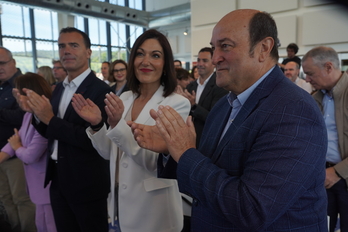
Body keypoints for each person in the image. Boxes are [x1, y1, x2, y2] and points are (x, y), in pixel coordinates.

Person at [129, 9, 328, 231]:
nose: (215, 58)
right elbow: (209, 172)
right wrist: (172, 150)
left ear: (263, 48)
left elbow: (251, 210)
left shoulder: (294, 110)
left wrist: (186, 153)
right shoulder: (225, 105)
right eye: (214, 47)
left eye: (225, 46)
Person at [72, 29, 190, 232]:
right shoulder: (125, 98)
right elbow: (110, 153)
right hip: (119, 204)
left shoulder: (176, 104)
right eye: (140, 54)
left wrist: (117, 125)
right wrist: (98, 124)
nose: (146, 61)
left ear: (166, 64)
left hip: (155, 211)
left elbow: (155, 163)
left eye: (155, 55)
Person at [23, 27, 111, 232]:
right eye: (62, 46)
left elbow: (94, 141)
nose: (66, 51)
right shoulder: (59, 88)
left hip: (86, 182)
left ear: (88, 52)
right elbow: (50, 132)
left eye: (74, 45)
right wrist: (35, 114)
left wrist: (50, 119)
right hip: (58, 179)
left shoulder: (101, 90)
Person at [1, 72, 57, 232]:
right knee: (41, 226)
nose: (16, 98)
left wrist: (17, 146)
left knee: (50, 226)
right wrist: (14, 146)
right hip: (36, 187)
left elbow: (30, 155)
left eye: (18, 94)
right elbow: (15, 139)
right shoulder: (28, 115)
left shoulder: (43, 117)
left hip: (46, 187)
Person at [302, 46, 348, 232]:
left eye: (310, 73)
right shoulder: (316, 98)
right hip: (322, 177)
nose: (306, 79)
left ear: (329, 67)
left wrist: (336, 172)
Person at [0, 46, 36, 232]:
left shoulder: (22, 85)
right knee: (5, 198)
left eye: (2, 63)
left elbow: (24, 117)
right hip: (2, 153)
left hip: (17, 154)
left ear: (13, 62)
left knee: (21, 198)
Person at [177, 47, 228, 147]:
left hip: (207, 141)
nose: (200, 64)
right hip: (188, 140)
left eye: (204, 61)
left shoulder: (220, 87)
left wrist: (193, 106)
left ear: (213, 63)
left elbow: (215, 119)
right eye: (198, 60)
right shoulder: (190, 86)